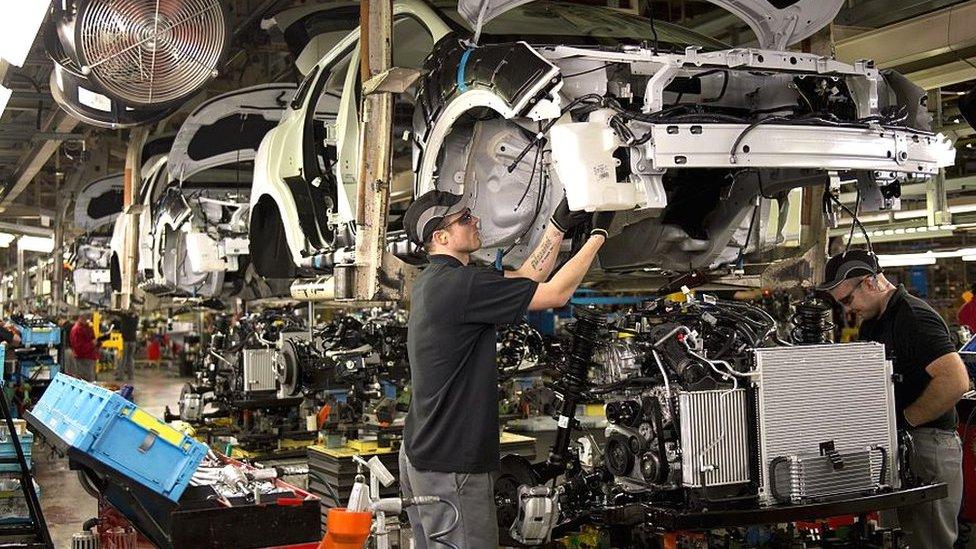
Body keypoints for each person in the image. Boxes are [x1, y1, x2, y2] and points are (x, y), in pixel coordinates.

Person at [398, 189, 611, 548]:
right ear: (441, 237)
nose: (476, 220)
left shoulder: (437, 281)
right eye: (464, 218)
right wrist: (598, 236)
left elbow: (530, 274)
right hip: (452, 461)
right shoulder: (462, 286)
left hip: (423, 452)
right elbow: (556, 293)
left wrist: (557, 226)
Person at [818, 249, 969, 549]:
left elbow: (956, 380)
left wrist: (905, 420)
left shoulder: (913, 318)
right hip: (901, 447)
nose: (848, 309)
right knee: (899, 539)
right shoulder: (874, 321)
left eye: (848, 299)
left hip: (927, 446)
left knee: (928, 541)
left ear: (871, 282)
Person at [69, 313, 100, 382]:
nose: (87, 320)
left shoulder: (86, 327)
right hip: (83, 359)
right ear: (80, 318)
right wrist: (92, 344)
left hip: (90, 356)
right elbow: (78, 348)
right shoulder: (77, 329)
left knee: (91, 380)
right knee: (87, 381)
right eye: (86, 318)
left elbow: (91, 338)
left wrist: (97, 343)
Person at [114, 311, 138, 381]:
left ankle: (120, 376)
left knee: (123, 359)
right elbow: (135, 315)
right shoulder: (136, 319)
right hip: (133, 341)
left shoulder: (125, 318)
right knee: (130, 359)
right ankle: (131, 376)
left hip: (125, 341)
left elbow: (118, 313)